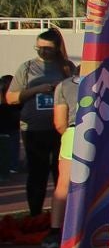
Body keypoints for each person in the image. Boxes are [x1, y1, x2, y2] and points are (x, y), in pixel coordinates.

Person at [7, 29, 67, 219]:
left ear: (56, 48)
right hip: (34, 129)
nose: (42, 51)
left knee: (61, 173)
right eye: (38, 47)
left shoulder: (66, 68)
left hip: (60, 128)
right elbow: (10, 98)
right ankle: (35, 215)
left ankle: (59, 217)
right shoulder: (27, 68)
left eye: (47, 48)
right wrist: (37, 90)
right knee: (37, 173)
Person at [43, 61, 82, 248]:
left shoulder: (64, 86)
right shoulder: (108, 81)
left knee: (64, 184)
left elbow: (59, 123)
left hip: (73, 133)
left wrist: (67, 134)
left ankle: (55, 230)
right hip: (100, 133)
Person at [0, 73, 18, 178]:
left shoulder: (12, 95)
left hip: (11, 125)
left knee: (11, 147)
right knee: (9, 148)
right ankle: (11, 167)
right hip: (9, 125)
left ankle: (12, 167)